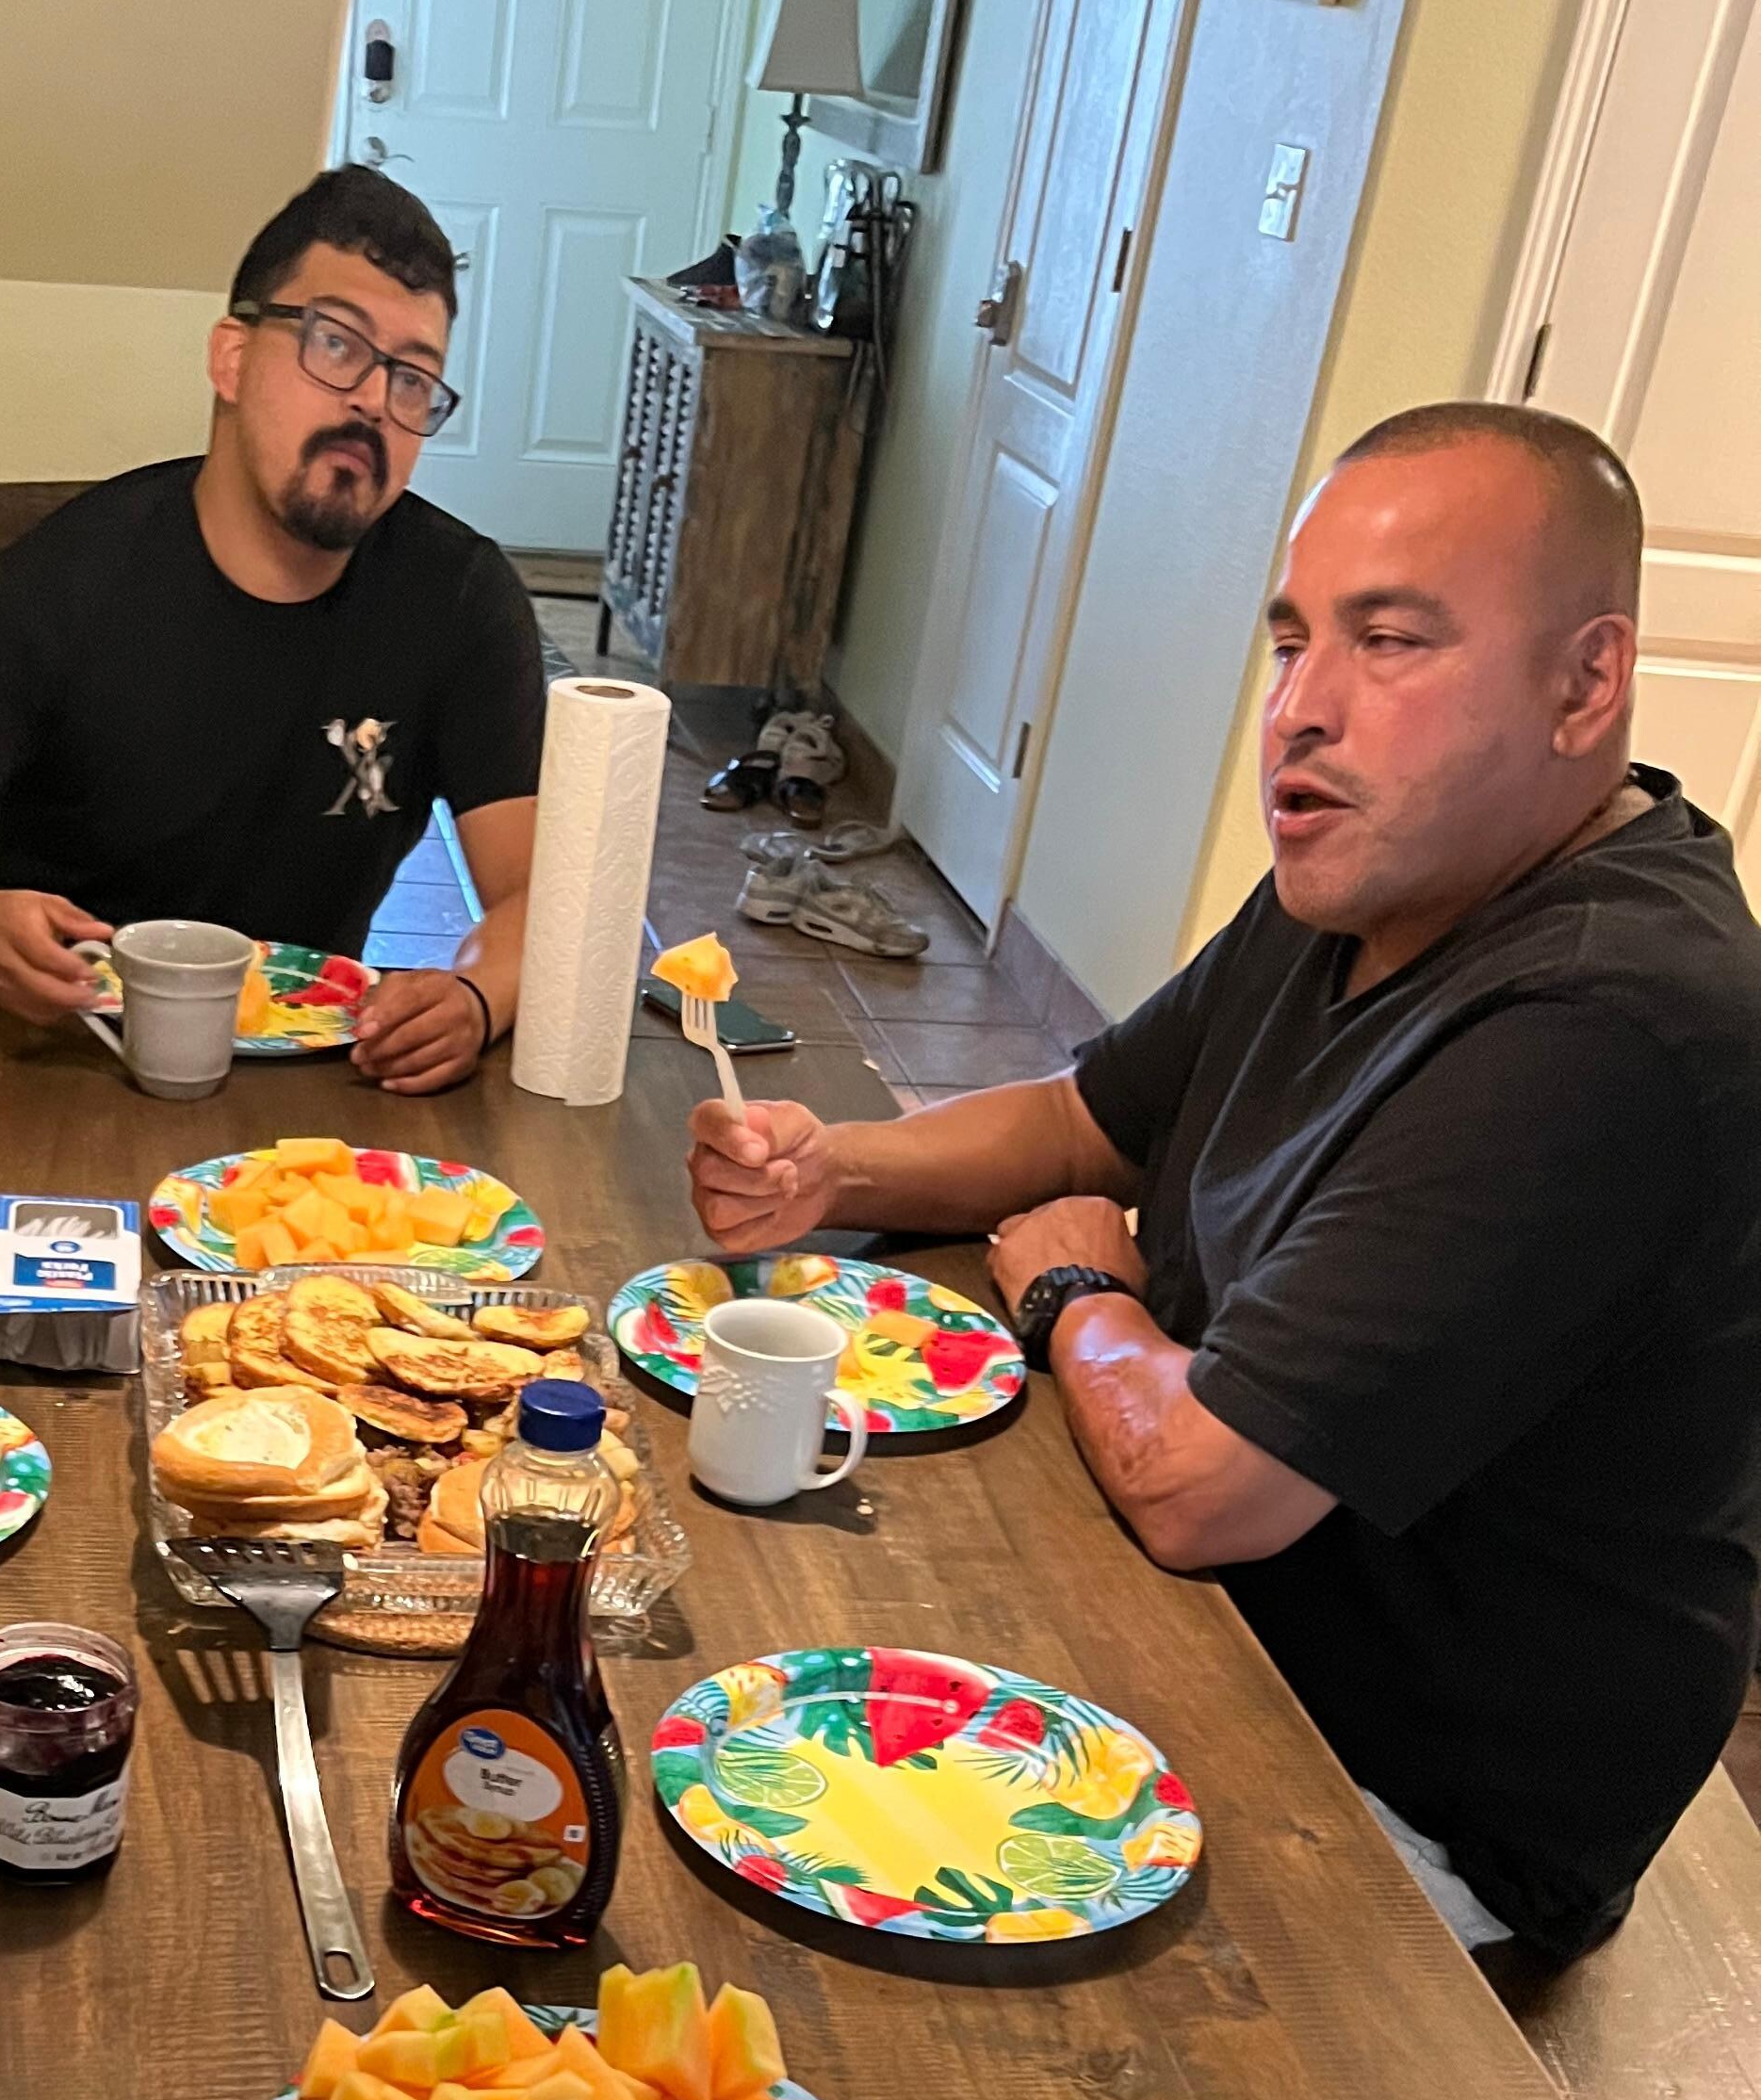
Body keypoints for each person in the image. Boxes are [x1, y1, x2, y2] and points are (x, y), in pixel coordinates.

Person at [685, 404, 1761, 1973]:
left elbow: (1202, 1487)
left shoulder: (1607, 1020)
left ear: (1583, 684)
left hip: (1390, 1806)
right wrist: (827, 1163)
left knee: (771, 1892)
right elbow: (1082, 1118)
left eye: (1389, 641)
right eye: (1290, 641)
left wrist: (1075, 1286)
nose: (1299, 711)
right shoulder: (1368, 879)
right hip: (1213, 1623)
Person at [0, 168, 546, 1098]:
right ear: (231, 359)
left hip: (319, 1084)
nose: (372, 400)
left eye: (412, 377)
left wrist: (475, 996)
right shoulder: (60, 586)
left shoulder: (461, 601)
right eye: (335, 344)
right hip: (67, 1069)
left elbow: (543, 898)